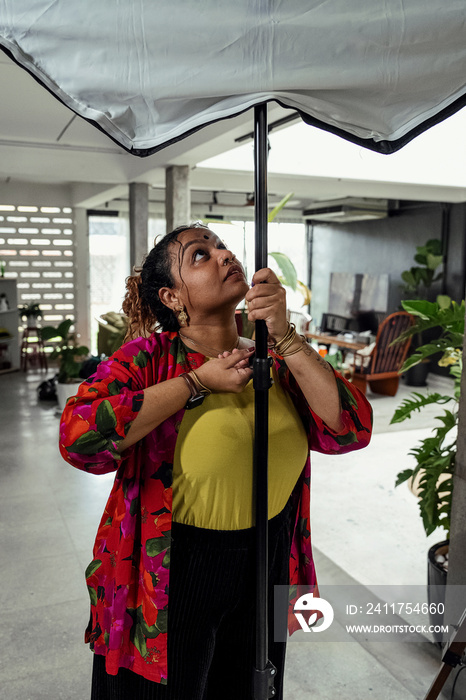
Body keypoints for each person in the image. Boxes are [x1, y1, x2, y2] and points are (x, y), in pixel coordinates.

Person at [59, 223, 373, 700]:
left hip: (267, 556)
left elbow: (351, 428)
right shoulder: (147, 360)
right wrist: (196, 383)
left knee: (249, 688)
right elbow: (79, 436)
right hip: (173, 567)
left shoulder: (276, 361)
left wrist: (285, 336)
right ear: (171, 297)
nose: (224, 255)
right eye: (200, 255)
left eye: (222, 246)